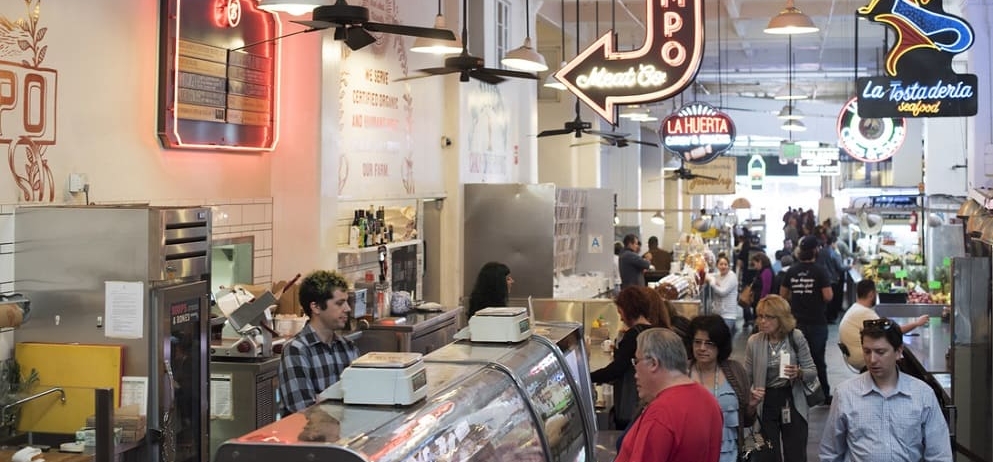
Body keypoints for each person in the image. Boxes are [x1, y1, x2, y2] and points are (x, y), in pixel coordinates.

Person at [819, 317, 953, 462]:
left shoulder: (922, 394)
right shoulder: (845, 394)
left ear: (898, 351)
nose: (872, 360)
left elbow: (939, 455)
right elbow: (830, 453)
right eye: (867, 351)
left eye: (880, 352)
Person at [615, 328, 723, 462]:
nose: (635, 373)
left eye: (637, 361)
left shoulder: (660, 413)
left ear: (654, 363)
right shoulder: (709, 401)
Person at [744, 295, 817, 462]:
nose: (762, 321)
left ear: (781, 319)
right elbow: (746, 377)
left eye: (768, 317)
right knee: (767, 453)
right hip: (765, 400)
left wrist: (799, 373)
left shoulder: (796, 337)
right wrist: (749, 398)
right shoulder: (754, 342)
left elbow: (812, 371)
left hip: (792, 399)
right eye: (760, 316)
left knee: (795, 452)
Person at [278, 270, 360, 415]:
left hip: (343, 435)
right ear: (315, 307)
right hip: (309, 436)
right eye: (339, 303)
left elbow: (361, 400)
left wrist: (322, 401)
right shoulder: (296, 350)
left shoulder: (348, 347)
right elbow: (303, 410)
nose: (347, 309)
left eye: (346, 302)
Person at [590, 286, 665, 430]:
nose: (620, 318)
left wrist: (587, 377)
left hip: (632, 408)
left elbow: (616, 370)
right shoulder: (656, 331)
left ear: (629, 310)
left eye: (620, 312)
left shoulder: (633, 336)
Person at [688, 315, 756, 462]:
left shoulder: (735, 371)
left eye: (709, 343)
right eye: (697, 342)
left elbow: (746, 420)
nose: (702, 348)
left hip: (730, 454)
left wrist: (751, 406)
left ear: (720, 345)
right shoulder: (682, 373)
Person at [780, 235, 833, 405]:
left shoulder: (792, 270)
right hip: (817, 321)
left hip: (797, 323)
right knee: (817, 360)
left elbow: (783, 295)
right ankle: (823, 395)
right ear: (815, 250)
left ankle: (797, 394)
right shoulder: (820, 271)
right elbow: (828, 296)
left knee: (796, 359)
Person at [838, 279, 928, 370]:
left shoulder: (855, 308)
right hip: (862, 359)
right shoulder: (864, 312)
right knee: (908, 361)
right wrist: (917, 323)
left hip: (853, 357)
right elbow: (893, 331)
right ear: (871, 294)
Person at [816, 236, 848, 323]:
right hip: (832, 279)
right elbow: (840, 267)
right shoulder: (833, 253)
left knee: (825, 301)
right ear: (833, 243)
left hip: (822, 279)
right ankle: (832, 317)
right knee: (832, 300)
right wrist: (849, 267)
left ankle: (826, 317)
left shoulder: (820, 252)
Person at [707, 254, 739, 336]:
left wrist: (712, 283)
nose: (723, 266)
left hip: (728, 315)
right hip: (718, 314)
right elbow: (707, 275)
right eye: (721, 264)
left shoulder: (732, 277)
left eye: (725, 264)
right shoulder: (718, 275)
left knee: (723, 338)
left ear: (729, 266)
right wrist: (712, 279)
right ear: (717, 265)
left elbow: (722, 292)